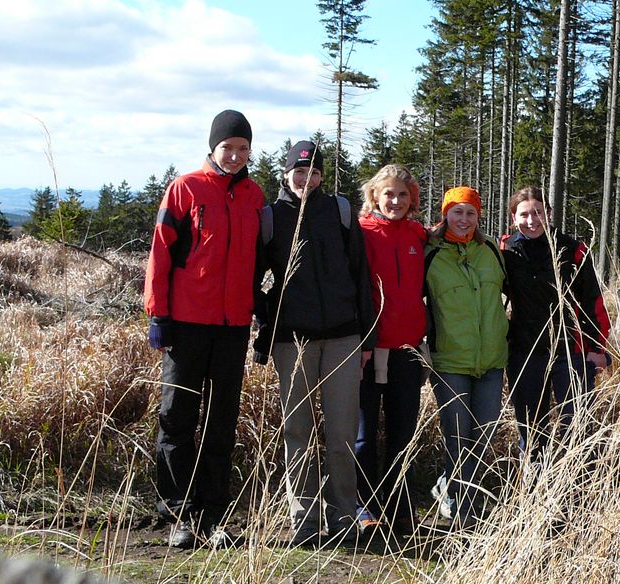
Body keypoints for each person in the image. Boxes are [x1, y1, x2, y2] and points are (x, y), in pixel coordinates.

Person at [144, 109, 264, 548]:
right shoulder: (185, 188)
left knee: (221, 421)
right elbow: (160, 253)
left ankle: (213, 515)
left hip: (233, 326)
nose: (234, 155)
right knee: (177, 418)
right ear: (212, 148)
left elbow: (260, 260)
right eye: (227, 147)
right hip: (186, 324)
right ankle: (177, 512)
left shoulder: (254, 195)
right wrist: (158, 314)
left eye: (242, 148)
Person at [253, 140, 376, 546]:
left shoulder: (339, 211)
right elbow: (252, 280)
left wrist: (366, 338)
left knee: (341, 434)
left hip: (343, 338)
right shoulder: (271, 218)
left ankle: (343, 518)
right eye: (300, 172)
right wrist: (270, 314)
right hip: (293, 341)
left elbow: (360, 276)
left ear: (323, 176)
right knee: (298, 434)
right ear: (286, 174)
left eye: (315, 173)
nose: (307, 179)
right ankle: (304, 524)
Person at [502, 186, 610, 473]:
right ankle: (536, 489)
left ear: (548, 214)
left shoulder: (572, 249)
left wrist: (597, 349)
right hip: (525, 351)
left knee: (577, 426)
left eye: (538, 212)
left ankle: (579, 490)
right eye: (524, 214)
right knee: (531, 427)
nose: (531, 220)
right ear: (514, 218)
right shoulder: (506, 250)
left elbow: (593, 302)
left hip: (570, 351)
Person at [424, 186, 508, 529]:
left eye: (470, 212)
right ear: (445, 214)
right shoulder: (430, 252)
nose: (463, 219)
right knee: (457, 436)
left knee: (482, 436)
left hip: (491, 359)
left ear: (479, 216)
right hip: (450, 361)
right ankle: (464, 508)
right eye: (457, 212)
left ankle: (448, 487)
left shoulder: (491, 251)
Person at [355, 164, 427, 535]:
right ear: (374, 197)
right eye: (388, 194)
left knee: (403, 433)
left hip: (406, 351)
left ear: (411, 199)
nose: (395, 201)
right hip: (368, 351)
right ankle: (364, 507)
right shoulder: (362, 232)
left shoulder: (418, 235)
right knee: (364, 433)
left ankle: (400, 507)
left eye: (402, 194)